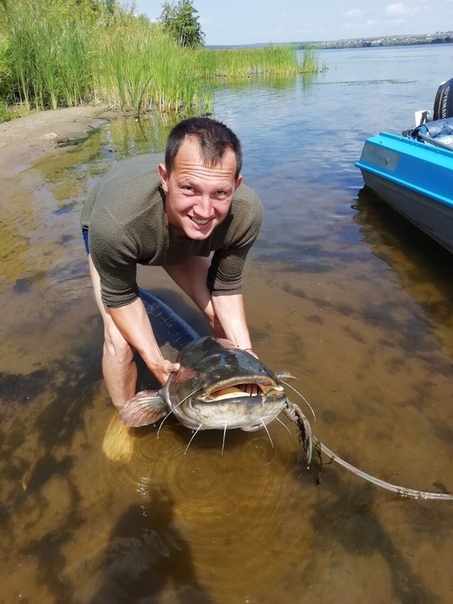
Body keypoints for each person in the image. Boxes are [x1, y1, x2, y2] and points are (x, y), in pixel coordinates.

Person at [81, 117, 263, 411]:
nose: (205, 211)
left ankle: (223, 390)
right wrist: (155, 361)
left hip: (174, 232)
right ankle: (126, 420)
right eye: (189, 188)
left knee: (220, 320)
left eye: (220, 192)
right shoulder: (116, 224)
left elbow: (227, 287)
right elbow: (120, 297)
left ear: (236, 185)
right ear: (164, 178)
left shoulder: (245, 214)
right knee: (120, 339)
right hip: (124, 227)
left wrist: (246, 356)